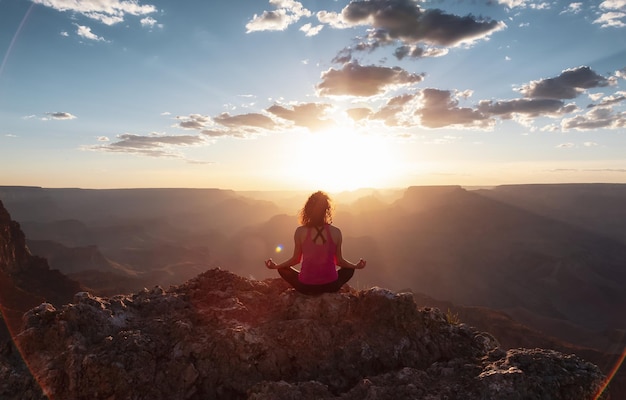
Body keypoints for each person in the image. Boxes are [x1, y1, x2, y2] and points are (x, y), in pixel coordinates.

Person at [264, 190, 366, 295]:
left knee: (283, 269)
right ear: (327, 210)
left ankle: (307, 282)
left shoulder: (300, 231)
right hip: (331, 286)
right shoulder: (336, 232)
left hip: (305, 287)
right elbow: (339, 261)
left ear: (308, 209)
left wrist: (276, 266)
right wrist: (355, 266)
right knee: (349, 270)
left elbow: (296, 260)